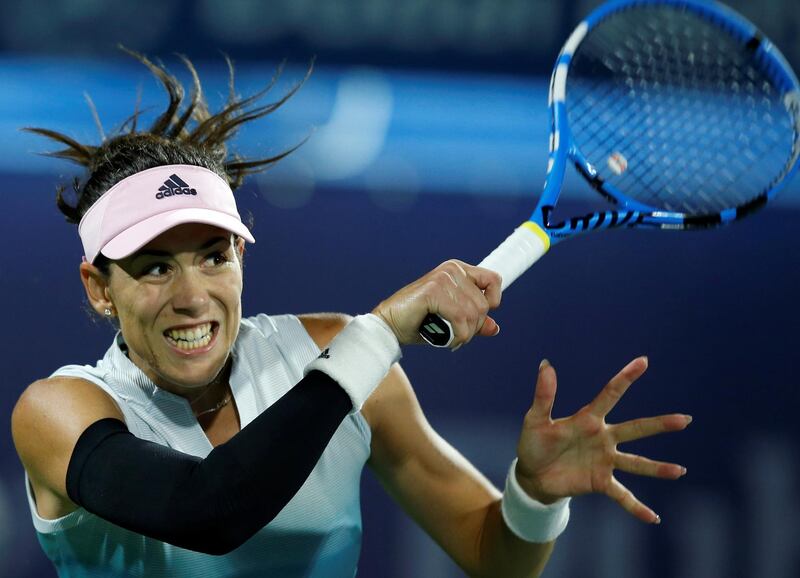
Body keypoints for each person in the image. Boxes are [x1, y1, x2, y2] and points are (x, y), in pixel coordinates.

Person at [11, 52, 691, 578]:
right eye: (156, 266)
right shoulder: (59, 411)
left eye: (215, 257)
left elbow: (493, 555)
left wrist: (535, 497)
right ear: (99, 289)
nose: (193, 295)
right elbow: (207, 510)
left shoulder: (336, 355)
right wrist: (376, 336)